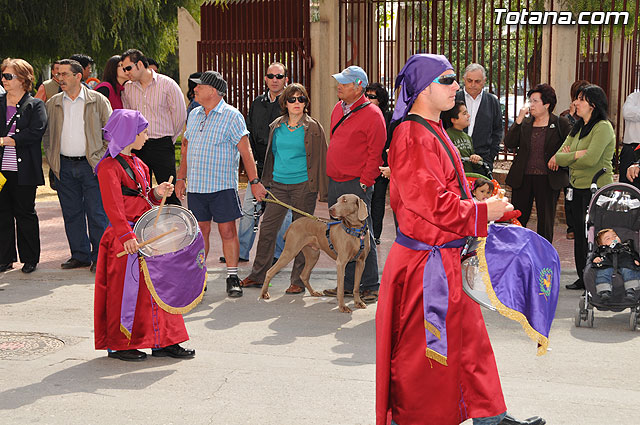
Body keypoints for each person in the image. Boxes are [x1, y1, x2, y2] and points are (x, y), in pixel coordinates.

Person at [376, 53, 544, 425]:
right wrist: (484, 212)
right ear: (423, 88)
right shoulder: (412, 134)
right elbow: (430, 204)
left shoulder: (433, 129)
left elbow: (444, 188)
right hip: (425, 267)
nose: (457, 86)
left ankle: (490, 416)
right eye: (448, 79)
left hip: (444, 258)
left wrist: (480, 199)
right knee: (424, 358)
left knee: (469, 344)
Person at [94, 109, 194, 362]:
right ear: (129, 134)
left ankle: (164, 341)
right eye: (144, 132)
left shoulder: (140, 164)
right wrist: (127, 236)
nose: (147, 137)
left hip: (145, 233)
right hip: (124, 236)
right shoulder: (107, 167)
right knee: (125, 292)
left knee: (159, 288)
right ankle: (120, 344)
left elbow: (143, 197)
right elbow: (113, 205)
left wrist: (158, 193)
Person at [175, 71, 266, 298]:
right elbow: (186, 150)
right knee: (200, 232)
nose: (194, 89)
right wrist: (180, 178)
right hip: (197, 187)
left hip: (222, 186)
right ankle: (199, 277)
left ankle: (232, 276)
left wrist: (254, 181)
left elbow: (246, 151)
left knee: (227, 231)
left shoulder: (232, 116)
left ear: (213, 91)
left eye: (199, 86)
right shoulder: (194, 114)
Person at [241, 83, 328, 293]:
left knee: (301, 233)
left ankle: (298, 281)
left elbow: (323, 158)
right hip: (278, 185)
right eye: (292, 99)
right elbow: (270, 155)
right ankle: (258, 275)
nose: (297, 103)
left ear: (306, 102)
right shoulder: (277, 126)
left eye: (301, 99)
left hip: (304, 187)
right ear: (285, 103)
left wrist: (323, 190)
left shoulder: (313, 127)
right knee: (268, 229)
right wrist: (264, 181)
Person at [323, 65, 386, 304]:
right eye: (339, 81)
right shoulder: (338, 108)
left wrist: (365, 183)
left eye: (344, 83)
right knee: (340, 234)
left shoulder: (373, 114)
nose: (339, 85)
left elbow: (375, 153)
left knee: (362, 233)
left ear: (358, 86)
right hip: (336, 181)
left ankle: (369, 285)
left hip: (355, 185)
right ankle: (348, 285)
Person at [42, 59, 111, 272]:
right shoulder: (53, 103)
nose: (59, 78)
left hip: (91, 166)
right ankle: (79, 255)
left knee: (97, 213)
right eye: (58, 74)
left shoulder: (97, 100)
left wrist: (100, 158)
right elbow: (47, 135)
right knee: (71, 213)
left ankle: (101, 257)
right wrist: (53, 160)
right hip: (64, 165)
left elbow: (110, 132)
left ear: (78, 76)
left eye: (64, 74)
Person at [551, 84, 615, 290]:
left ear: (593, 105)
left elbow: (591, 160)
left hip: (596, 191)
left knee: (595, 235)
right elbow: (559, 156)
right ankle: (582, 276)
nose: (575, 103)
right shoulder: (578, 127)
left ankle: (599, 278)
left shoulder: (603, 127)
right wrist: (576, 155)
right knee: (579, 234)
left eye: (581, 99)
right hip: (577, 188)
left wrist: (573, 157)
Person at [237, 62, 292, 264]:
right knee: (249, 212)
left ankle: (278, 255)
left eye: (279, 76)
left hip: (282, 169)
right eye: (271, 76)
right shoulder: (257, 103)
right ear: (265, 79)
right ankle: (241, 252)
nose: (274, 80)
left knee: (282, 215)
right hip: (259, 168)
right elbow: (249, 134)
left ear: (286, 79)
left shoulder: (292, 103)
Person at [504, 84, 571, 243]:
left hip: (548, 179)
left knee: (546, 221)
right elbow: (510, 142)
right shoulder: (525, 123)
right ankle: (516, 251)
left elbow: (570, 146)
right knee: (518, 218)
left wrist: (558, 157)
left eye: (535, 101)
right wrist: (519, 120)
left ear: (547, 104)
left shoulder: (560, 123)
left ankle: (543, 255)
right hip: (523, 177)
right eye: (530, 101)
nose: (531, 105)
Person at [121, 48, 186, 206]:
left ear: (141, 64)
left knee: (168, 194)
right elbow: (129, 117)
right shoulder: (128, 88)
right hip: (138, 147)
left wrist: (168, 139)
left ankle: (175, 229)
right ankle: (145, 229)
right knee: (140, 192)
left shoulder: (167, 84)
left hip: (162, 145)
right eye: (123, 69)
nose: (126, 72)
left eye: (128, 68)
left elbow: (179, 116)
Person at [0, 58, 47, 274]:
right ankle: (5, 258)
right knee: (2, 213)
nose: (4, 79)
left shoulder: (35, 104)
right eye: (3, 75)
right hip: (2, 170)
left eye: (8, 76)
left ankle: (30, 259)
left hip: (24, 170)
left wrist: (10, 140)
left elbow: (37, 131)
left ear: (23, 79)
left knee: (25, 213)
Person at [454, 63, 503, 171]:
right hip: (455, 158)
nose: (473, 85)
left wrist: (490, 157)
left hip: (483, 160)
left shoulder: (492, 102)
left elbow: (497, 131)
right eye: (469, 80)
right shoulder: (454, 99)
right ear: (464, 79)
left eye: (477, 81)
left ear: (484, 81)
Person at [559, 80, 589, 240]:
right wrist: (570, 116)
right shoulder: (565, 115)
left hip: (585, 167)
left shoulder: (592, 119)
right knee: (569, 196)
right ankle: (571, 227)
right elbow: (568, 138)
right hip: (569, 167)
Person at [366, 82, 393, 246]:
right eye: (366, 95)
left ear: (380, 100)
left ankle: (375, 234)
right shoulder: (361, 114)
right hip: (365, 165)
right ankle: (363, 233)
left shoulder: (388, 117)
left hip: (382, 166)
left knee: (378, 200)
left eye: (372, 97)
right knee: (364, 200)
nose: (368, 99)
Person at [592, 228, 640, 302]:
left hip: (625, 264)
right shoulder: (602, 249)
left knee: (629, 271)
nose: (613, 239)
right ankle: (604, 291)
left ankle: (631, 290)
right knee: (603, 272)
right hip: (608, 264)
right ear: (601, 244)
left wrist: (636, 260)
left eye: (615, 236)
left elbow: (633, 254)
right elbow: (595, 255)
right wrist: (596, 258)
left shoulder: (626, 247)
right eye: (608, 238)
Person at [443, 100, 487, 176]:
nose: (468, 115)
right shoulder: (446, 135)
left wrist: (476, 158)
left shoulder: (467, 137)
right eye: (464, 113)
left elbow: (473, 162)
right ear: (454, 120)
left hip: (467, 177)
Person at [618, 91, 640, 187]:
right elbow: (627, 113)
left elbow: (633, 113)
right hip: (630, 148)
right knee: (626, 187)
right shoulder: (633, 97)